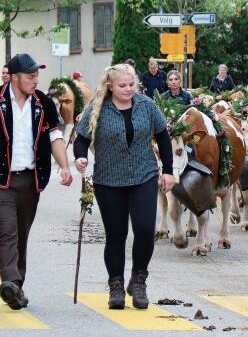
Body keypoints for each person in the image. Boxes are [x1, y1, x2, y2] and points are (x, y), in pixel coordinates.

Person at [0, 54, 73, 310]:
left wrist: (64, 166)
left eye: (37, 76)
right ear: (14, 77)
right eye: (31, 76)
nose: (36, 80)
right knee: (7, 230)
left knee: (22, 233)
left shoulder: (44, 103)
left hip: (31, 179)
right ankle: (9, 280)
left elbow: (55, 136)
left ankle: (16, 287)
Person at [73, 63, 174, 310]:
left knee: (143, 229)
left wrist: (169, 171)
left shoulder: (146, 106)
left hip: (144, 176)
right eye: (122, 86)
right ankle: (116, 284)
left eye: (131, 85)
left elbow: (163, 136)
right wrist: (81, 157)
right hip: (109, 180)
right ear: (110, 86)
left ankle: (139, 279)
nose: (128, 89)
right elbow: (82, 139)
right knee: (116, 235)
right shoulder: (98, 108)